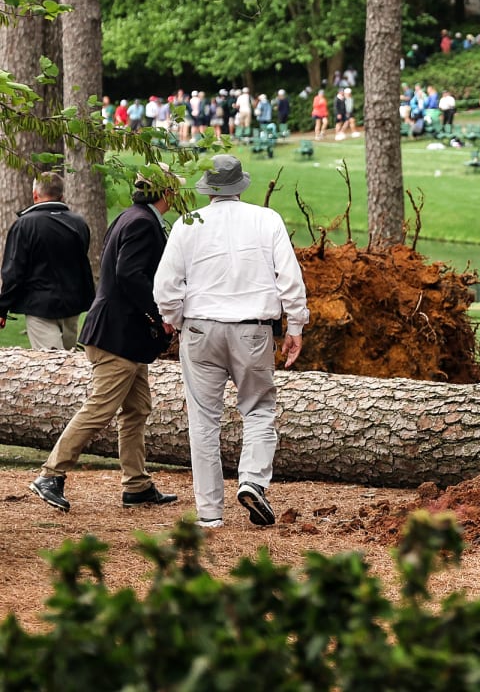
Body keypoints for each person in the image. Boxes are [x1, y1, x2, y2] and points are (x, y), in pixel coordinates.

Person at [153, 154, 308, 529]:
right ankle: (253, 479)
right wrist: (296, 325)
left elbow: (166, 285)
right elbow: (290, 277)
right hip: (251, 329)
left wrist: (172, 319)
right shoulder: (266, 219)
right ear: (241, 186)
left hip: (201, 329)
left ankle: (209, 513)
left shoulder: (188, 224)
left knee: (203, 421)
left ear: (208, 188)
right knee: (257, 408)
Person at [29, 171, 179, 513]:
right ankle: (50, 474)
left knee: (137, 408)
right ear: (166, 192)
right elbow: (129, 274)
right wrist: (160, 316)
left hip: (123, 336)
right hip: (117, 335)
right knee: (100, 408)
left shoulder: (130, 216)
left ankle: (137, 485)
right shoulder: (142, 223)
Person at [0, 172, 94, 350]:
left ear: (35, 194)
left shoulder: (25, 225)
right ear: (62, 195)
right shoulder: (79, 223)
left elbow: (14, 271)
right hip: (72, 306)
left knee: (53, 365)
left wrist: (2, 306)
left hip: (39, 307)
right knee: (69, 362)